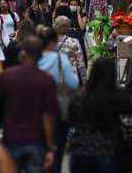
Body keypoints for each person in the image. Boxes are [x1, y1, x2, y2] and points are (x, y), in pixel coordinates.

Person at [0, 36, 58, 173]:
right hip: (36, 141)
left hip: (11, 138)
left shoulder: (7, 76)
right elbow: (48, 117)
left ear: (23, 53)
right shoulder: (47, 80)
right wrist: (50, 148)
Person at [68, 58, 131, 173]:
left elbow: (71, 119)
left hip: (81, 151)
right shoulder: (116, 97)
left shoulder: (79, 96)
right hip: (108, 150)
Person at [36, 25, 79, 173]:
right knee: (57, 154)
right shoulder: (60, 60)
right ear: (53, 42)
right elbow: (74, 84)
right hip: (58, 111)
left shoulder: (32, 58)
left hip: (35, 111)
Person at [54, 16, 87, 85]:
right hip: (71, 79)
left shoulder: (50, 42)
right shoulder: (74, 42)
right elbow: (80, 63)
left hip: (55, 79)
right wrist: (84, 81)